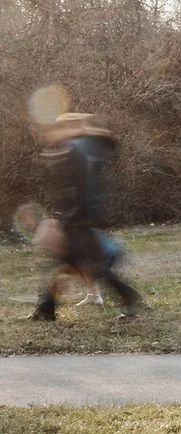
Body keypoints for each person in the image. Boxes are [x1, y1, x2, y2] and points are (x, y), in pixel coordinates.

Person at [29, 113, 143, 321]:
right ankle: (46, 308)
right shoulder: (66, 152)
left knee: (92, 265)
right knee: (68, 262)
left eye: (51, 131)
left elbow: (83, 191)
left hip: (79, 222)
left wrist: (68, 220)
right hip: (74, 221)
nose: (46, 136)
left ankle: (130, 298)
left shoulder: (77, 152)